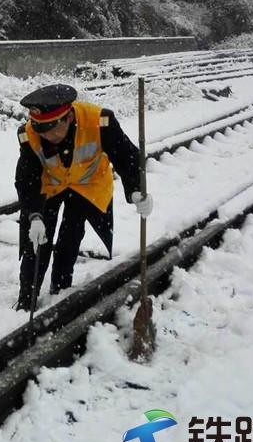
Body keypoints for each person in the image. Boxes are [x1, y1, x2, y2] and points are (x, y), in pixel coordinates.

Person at [14, 84, 153, 310]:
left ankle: (60, 289)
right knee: (37, 242)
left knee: (71, 233)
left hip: (89, 183)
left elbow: (127, 157)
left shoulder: (99, 121)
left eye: (53, 130)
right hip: (52, 184)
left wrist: (137, 191)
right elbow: (26, 179)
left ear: (68, 118)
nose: (48, 137)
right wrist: (35, 216)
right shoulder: (29, 134)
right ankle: (26, 299)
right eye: (42, 131)